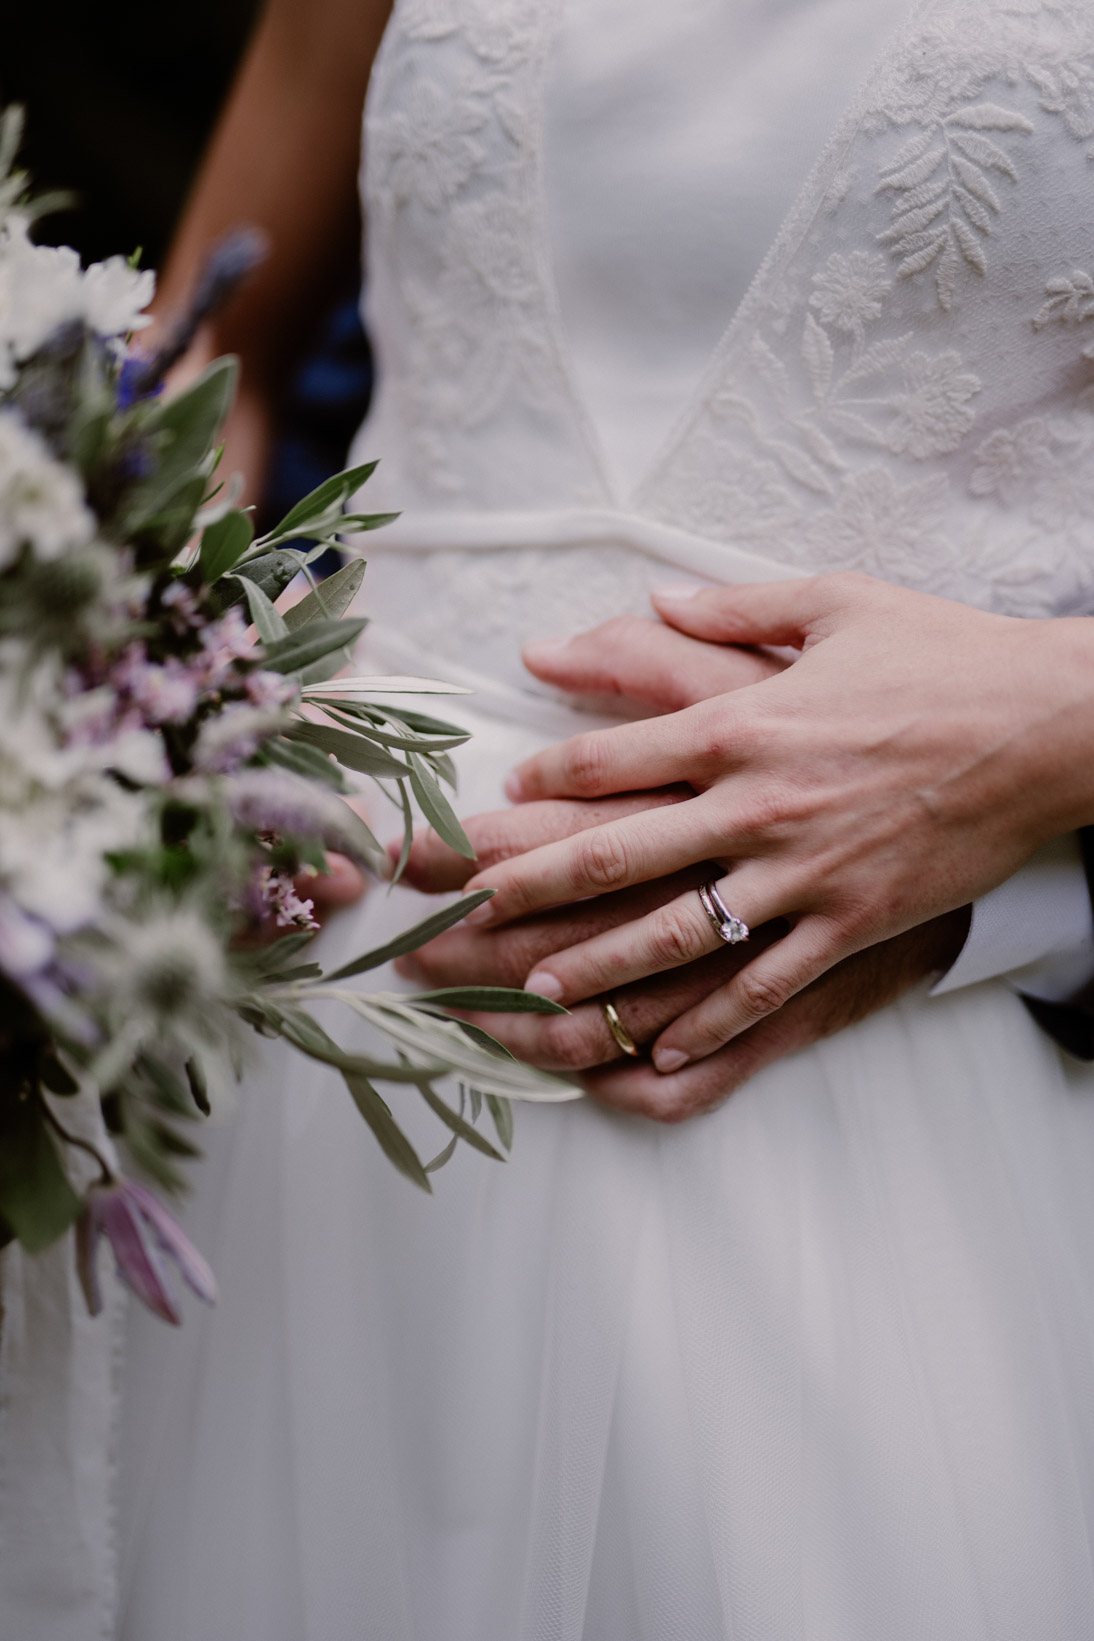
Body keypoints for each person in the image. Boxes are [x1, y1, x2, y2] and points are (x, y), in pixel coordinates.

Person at [116, 1, 1094, 1637]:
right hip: (293, 1031)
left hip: (852, 1076)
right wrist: (174, 696)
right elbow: (212, 347)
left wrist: (1050, 724)